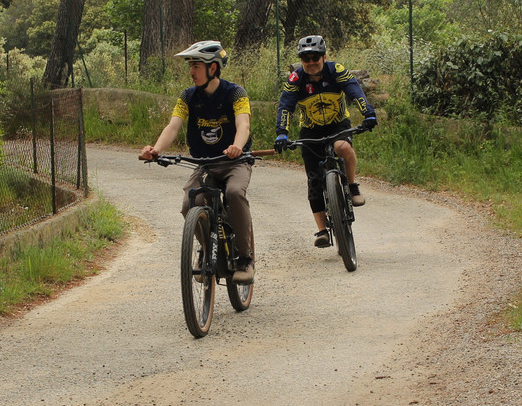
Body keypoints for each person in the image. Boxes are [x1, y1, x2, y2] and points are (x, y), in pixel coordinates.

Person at [139, 40, 256, 283]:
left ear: (213, 68)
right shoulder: (188, 96)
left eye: (196, 66)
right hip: (205, 164)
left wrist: (237, 145)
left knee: (234, 193)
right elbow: (173, 126)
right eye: (190, 66)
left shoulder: (236, 93)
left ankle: (245, 259)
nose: (191, 71)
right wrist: (156, 149)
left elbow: (243, 124)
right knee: (189, 204)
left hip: (235, 162)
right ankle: (206, 248)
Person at [273, 34, 376, 248]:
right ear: (301, 61)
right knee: (314, 180)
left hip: (337, 124)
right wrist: (282, 133)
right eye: (306, 59)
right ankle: (322, 231)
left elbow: (354, 91)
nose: (311, 63)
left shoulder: (336, 70)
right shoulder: (296, 79)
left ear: (324, 57)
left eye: (315, 58)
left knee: (342, 147)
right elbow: (285, 106)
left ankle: (352, 186)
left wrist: (368, 114)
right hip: (310, 130)